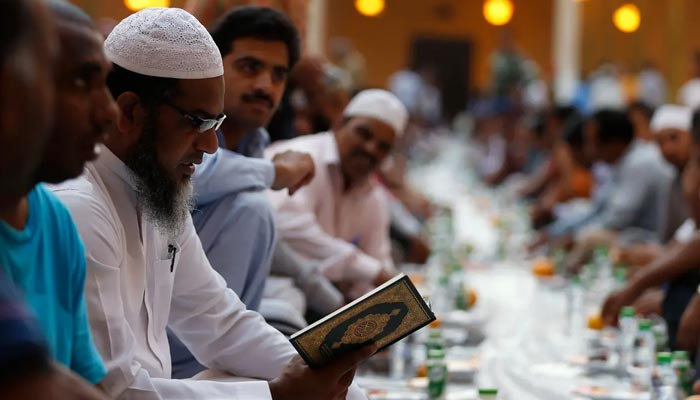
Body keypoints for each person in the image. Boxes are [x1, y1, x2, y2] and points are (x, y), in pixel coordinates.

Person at [51, 8, 372, 399]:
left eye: (215, 124)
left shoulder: (159, 188)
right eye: (197, 123)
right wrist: (277, 394)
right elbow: (115, 392)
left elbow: (218, 320)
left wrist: (330, 379)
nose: (210, 146)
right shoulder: (81, 208)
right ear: (130, 111)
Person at [171, 6, 341, 379]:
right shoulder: (179, 139)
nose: (265, 86)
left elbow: (276, 248)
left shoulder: (254, 145)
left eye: (278, 75)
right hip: (170, 360)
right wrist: (276, 171)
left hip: (225, 340)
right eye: (249, 67)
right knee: (251, 208)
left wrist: (332, 301)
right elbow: (197, 175)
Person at [1, 0, 115, 386]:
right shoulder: (78, 206)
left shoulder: (54, 220)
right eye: (81, 81)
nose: (108, 114)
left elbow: (82, 379)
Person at [268, 89, 407, 300]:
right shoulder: (300, 160)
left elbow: (380, 262)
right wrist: (371, 271)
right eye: (364, 134)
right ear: (339, 123)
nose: (371, 149)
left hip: (325, 304)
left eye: (383, 147)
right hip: (273, 295)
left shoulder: (373, 196)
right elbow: (291, 230)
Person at [603, 108, 700, 350]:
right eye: (660, 141)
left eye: (674, 138)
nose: (667, 149)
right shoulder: (673, 180)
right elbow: (681, 244)